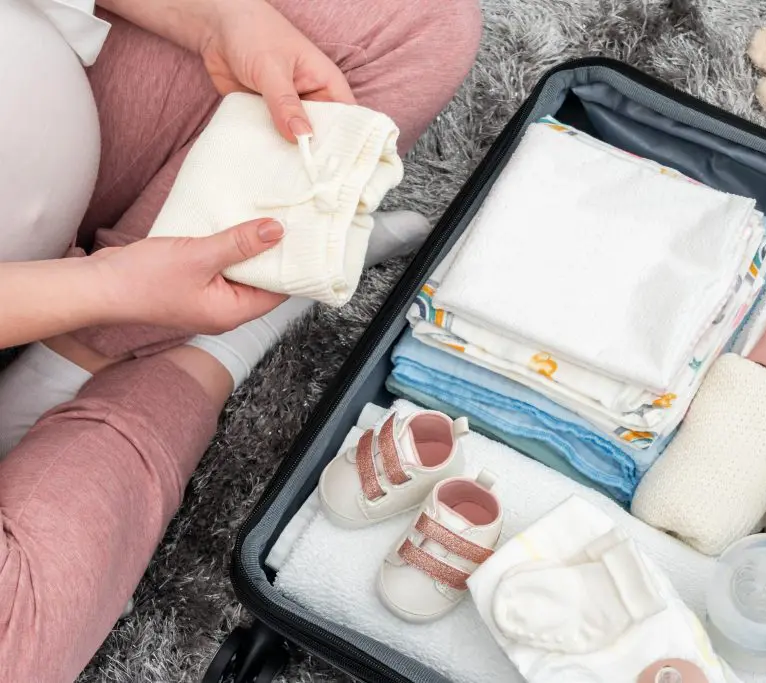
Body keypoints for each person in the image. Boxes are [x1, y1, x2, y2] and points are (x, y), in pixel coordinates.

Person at [0, 0, 482, 680]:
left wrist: (218, 20)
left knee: (417, 22)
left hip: (61, 96)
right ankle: (225, 340)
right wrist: (107, 287)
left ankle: (89, 353)